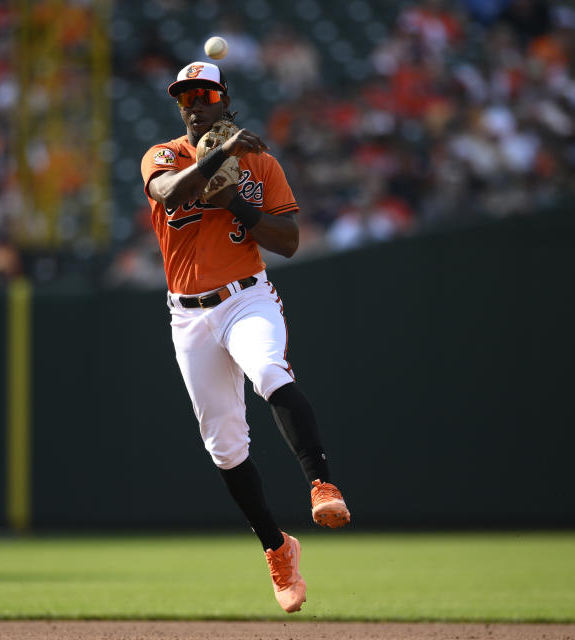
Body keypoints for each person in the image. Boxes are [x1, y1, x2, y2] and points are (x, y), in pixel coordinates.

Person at [139, 62, 351, 614]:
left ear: (224, 99)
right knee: (225, 448)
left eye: (205, 93)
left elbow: (288, 241)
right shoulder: (163, 154)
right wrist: (218, 158)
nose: (193, 103)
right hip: (187, 316)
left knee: (267, 372)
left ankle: (321, 485)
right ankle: (278, 549)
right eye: (184, 96)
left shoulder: (260, 161)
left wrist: (235, 196)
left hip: (246, 296)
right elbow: (167, 193)